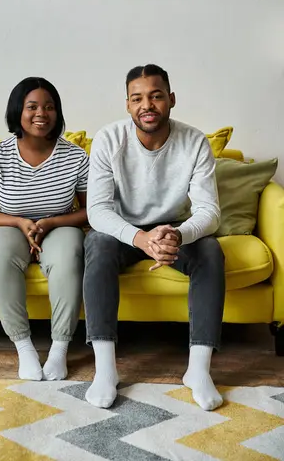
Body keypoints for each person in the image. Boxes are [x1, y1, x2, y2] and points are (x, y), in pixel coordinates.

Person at [83, 64, 225, 411]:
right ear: (128, 105)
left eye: (156, 96)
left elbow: (209, 211)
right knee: (97, 245)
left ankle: (199, 370)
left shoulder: (194, 142)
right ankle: (105, 370)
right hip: (122, 230)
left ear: (171, 100)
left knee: (210, 251)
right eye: (138, 98)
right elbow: (97, 211)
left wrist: (178, 233)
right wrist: (140, 238)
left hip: (172, 228)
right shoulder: (108, 139)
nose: (147, 105)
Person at [0, 77, 89, 381]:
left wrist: (50, 223)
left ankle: (60, 349)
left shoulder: (75, 157)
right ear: (17, 112)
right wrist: (19, 222)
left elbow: (93, 211)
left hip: (59, 224)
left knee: (67, 259)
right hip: (9, 223)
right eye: (32, 106)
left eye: (49, 107)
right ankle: (24, 347)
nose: (41, 114)